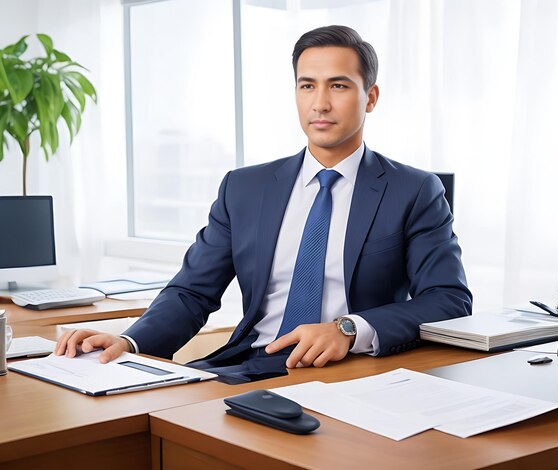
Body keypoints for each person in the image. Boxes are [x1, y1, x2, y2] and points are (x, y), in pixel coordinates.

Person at [56, 25, 472, 383]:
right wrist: (130, 340)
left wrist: (348, 329)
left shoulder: (414, 190)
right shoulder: (245, 187)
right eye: (307, 85)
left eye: (339, 85)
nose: (320, 103)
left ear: (371, 97)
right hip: (249, 364)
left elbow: (449, 299)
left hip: (350, 367)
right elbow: (192, 291)